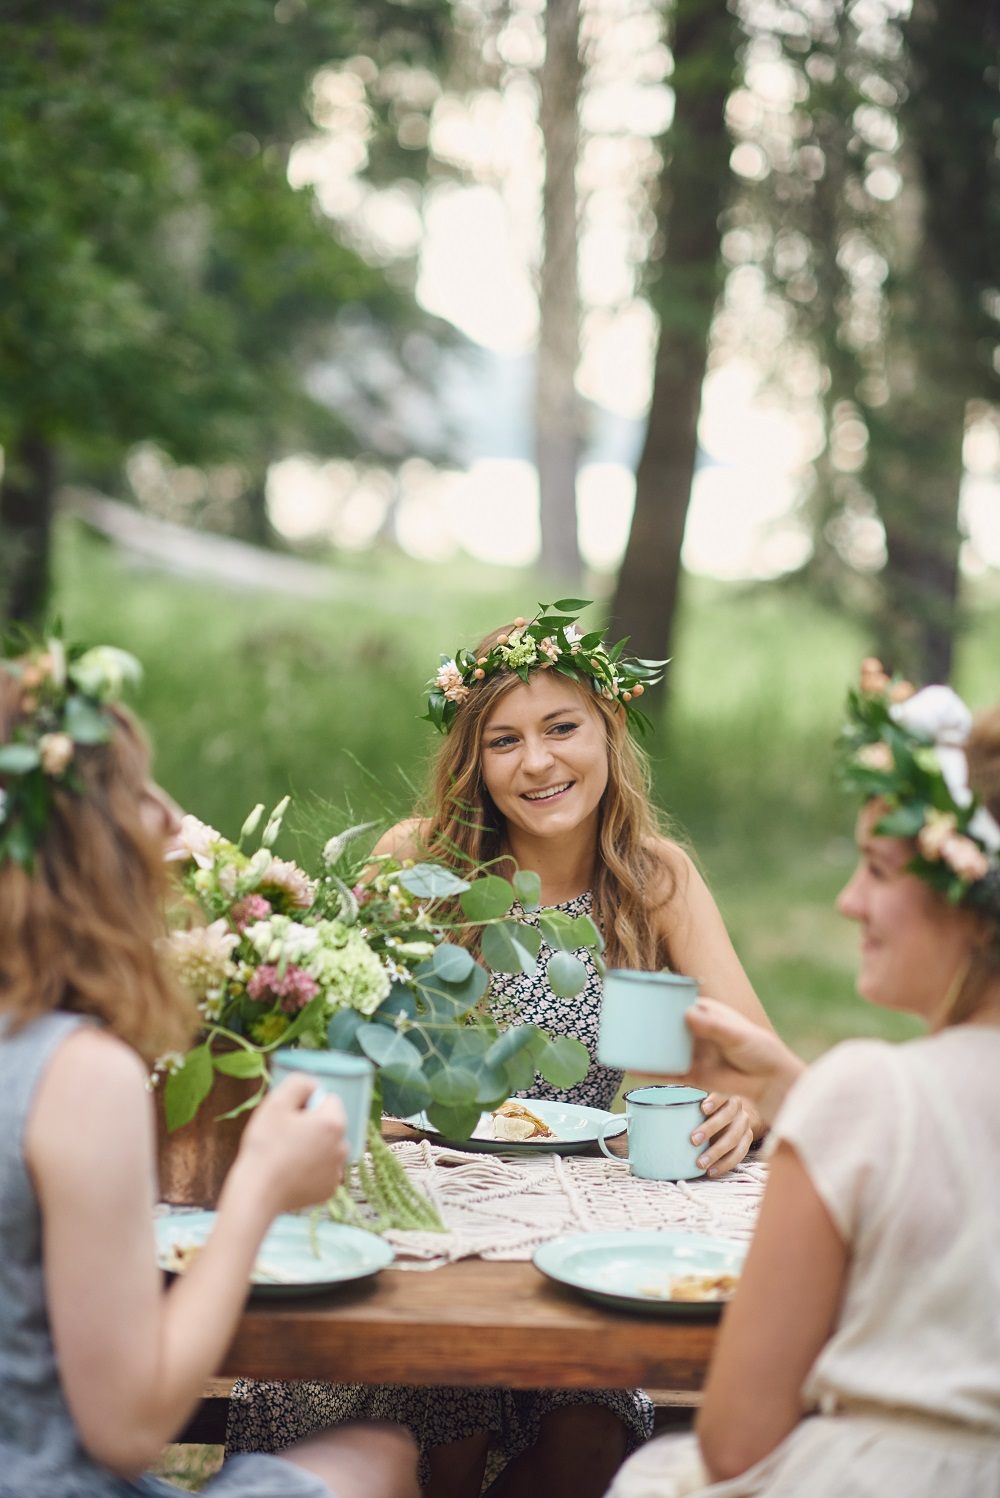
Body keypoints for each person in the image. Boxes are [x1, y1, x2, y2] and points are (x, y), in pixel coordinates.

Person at [228, 606, 774, 1498]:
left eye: (563, 728)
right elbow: (317, 1043)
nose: (539, 762)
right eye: (504, 741)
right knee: (441, 1421)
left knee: (592, 1437)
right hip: (418, 1217)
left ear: (611, 728)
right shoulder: (425, 858)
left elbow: (753, 1058)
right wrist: (380, 1110)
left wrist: (741, 1101)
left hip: (569, 1232)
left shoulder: (652, 879)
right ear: (473, 761)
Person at [0, 640, 420, 1498]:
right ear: (81, 844)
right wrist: (260, 1187)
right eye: (136, 791)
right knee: (382, 1455)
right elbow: (124, 1431)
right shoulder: (74, 1075)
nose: (169, 814)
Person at [606, 664, 1000, 1498]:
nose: (848, 900)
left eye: (879, 871)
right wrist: (795, 1092)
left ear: (972, 900)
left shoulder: (871, 1092)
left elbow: (739, 1439)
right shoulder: (853, 1098)